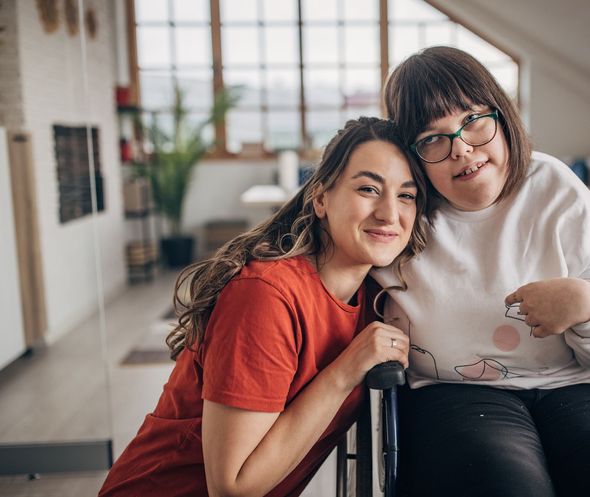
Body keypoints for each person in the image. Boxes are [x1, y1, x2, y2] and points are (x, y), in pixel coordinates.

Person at [98, 117, 433, 497]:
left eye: (406, 195)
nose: (390, 213)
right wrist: (345, 371)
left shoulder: (376, 297)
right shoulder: (264, 296)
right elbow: (232, 487)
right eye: (368, 188)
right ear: (321, 199)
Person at [372, 46, 590, 497]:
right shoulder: (401, 213)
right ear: (412, 154)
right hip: (454, 393)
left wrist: (584, 307)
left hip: (575, 382)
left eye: (473, 120)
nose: (461, 149)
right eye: (433, 138)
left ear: (501, 114)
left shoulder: (554, 188)